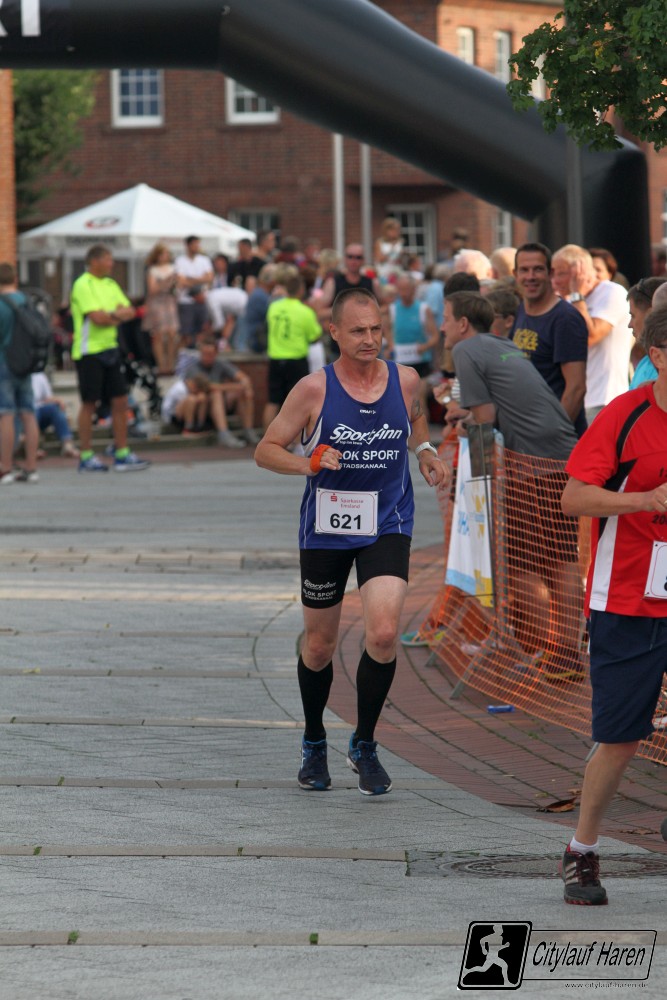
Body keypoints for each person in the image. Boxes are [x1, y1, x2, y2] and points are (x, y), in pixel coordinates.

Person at [255, 287, 448, 795]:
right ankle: (314, 739)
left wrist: (425, 452)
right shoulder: (312, 390)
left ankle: (364, 743)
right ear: (335, 332)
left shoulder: (405, 380)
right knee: (319, 646)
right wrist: (308, 463)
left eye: (376, 329)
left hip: (387, 521)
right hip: (327, 526)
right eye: (358, 330)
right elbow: (265, 449)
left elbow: (416, 419)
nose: (370, 339)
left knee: (382, 634)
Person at [559, 304, 667, 906]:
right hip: (627, 598)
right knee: (621, 737)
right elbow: (575, 497)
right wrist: (645, 499)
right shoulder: (625, 416)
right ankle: (581, 850)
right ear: (658, 356)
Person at [443, 291, 582, 679]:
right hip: (562, 455)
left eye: (446, 318)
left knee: (521, 563)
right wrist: (469, 419)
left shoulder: (466, 349)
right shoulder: (501, 344)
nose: (441, 326)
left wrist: (465, 426)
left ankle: (552, 652)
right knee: (561, 556)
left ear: (463, 324)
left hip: (532, 464)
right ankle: (566, 651)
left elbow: (485, 419)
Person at [69, 244, 150, 472]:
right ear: (94, 261)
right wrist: (116, 315)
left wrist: (112, 315)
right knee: (89, 403)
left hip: (111, 349)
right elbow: (97, 318)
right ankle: (86, 455)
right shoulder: (83, 284)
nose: (111, 264)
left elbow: (130, 312)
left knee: (120, 401)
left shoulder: (110, 284)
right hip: (89, 351)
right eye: (108, 259)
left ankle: (121, 452)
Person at [512, 242, 588, 438]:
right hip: (527, 435)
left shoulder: (565, 319)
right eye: (524, 270)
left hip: (554, 443)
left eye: (538, 269)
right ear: (515, 274)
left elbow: (576, 388)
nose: (530, 276)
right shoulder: (520, 311)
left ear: (550, 273)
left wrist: (553, 437)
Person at [551, 243, 633, 425]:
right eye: (553, 273)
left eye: (561, 273)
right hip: (577, 400)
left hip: (604, 401)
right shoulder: (569, 300)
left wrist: (576, 296)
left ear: (580, 272)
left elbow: (588, 337)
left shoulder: (612, 292)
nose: (555, 280)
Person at [263, 273, 322, 430]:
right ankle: (296, 440)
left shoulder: (273, 307)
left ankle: (267, 437)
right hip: (296, 360)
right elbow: (315, 337)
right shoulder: (305, 311)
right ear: (301, 290)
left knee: (272, 401)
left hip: (275, 358)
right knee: (298, 403)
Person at [0, 262, 41, 484]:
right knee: (28, 413)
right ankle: (31, 467)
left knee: (6, 414)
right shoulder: (27, 301)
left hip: (4, 362)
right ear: (15, 279)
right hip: (26, 363)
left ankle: (5, 467)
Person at [184, 337, 260, 448]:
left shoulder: (220, 364)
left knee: (245, 392)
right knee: (216, 393)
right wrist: (234, 387)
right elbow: (210, 387)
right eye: (204, 354)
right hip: (202, 406)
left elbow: (244, 378)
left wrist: (245, 387)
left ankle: (248, 430)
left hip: (222, 403)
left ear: (216, 353)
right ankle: (223, 433)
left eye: (210, 354)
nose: (207, 357)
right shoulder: (193, 368)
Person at [142, 242, 179, 375]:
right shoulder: (153, 270)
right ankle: (161, 365)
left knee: (172, 334)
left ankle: (170, 364)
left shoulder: (173, 268)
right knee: (159, 334)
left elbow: (179, 285)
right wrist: (165, 281)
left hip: (170, 302)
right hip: (157, 303)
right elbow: (152, 289)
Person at [174, 236, 214, 347]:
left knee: (202, 330)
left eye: (198, 244)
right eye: (194, 244)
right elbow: (180, 281)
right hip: (185, 301)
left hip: (201, 300)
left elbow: (209, 278)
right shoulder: (180, 261)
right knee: (185, 332)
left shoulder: (204, 260)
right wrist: (201, 279)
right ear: (188, 245)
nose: (197, 247)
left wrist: (189, 279)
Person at [627, 277, 667, 387]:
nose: (629, 324)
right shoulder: (645, 363)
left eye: (633, 316)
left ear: (650, 315)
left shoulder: (658, 366)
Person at [31, 371, 79, 457]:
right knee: (32, 411)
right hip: (25, 413)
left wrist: (58, 400)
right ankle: (32, 448)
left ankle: (67, 444)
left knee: (55, 408)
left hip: (40, 409)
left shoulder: (39, 375)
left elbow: (48, 397)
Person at [374, 217, 404, 284]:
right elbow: (379, 259)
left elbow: (400, 261)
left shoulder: (399, 242)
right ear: (387, 230)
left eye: (398, 230)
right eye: (394, 230)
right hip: (384, 273)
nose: (397, 232)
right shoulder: (380, 242)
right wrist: (392, 250)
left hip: (397, 272)